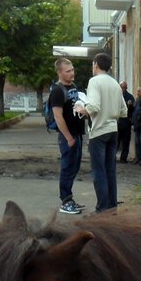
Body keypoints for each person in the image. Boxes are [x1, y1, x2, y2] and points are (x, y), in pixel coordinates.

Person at [74, 52, 127, 213]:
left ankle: (102, 208)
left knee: (98, 171)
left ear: (96, 64)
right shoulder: (115, 83)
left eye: (93, 65)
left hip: (98, 131)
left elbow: (94, 107)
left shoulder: (94, 81)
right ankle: (112, 206)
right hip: (113, 130)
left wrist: (81, 109)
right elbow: (124, 111)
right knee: (110, 170)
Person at [50, 57, 87, 215]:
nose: (72, 73)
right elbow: (58, 117)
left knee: (75, 167)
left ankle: (70, 198)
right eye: (68, 71)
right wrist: (69, 138)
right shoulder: (57, 90)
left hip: (77, 134)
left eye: (72, 70)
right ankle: (65, 201)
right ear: (59, 72)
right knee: (67, 168)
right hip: (68, 137)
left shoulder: (72, 86)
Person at [117, 81, 135, 163]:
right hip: (117, 122)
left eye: (125, 87)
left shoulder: (130, 97)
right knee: (115, 141)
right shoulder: (115, 96)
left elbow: (132, 110)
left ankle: (123, 158)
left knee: (125, 141)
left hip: (126, 123)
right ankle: (112, 157)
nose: (123, 89)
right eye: (122, 87)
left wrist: (130, 105)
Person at [130, 84, 141, 163]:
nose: (137, 93)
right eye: (137, 91)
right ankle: (138, 157)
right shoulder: (137, 100)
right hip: (136, 125)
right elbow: (134, 112)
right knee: (137, 142)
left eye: (139, 91)